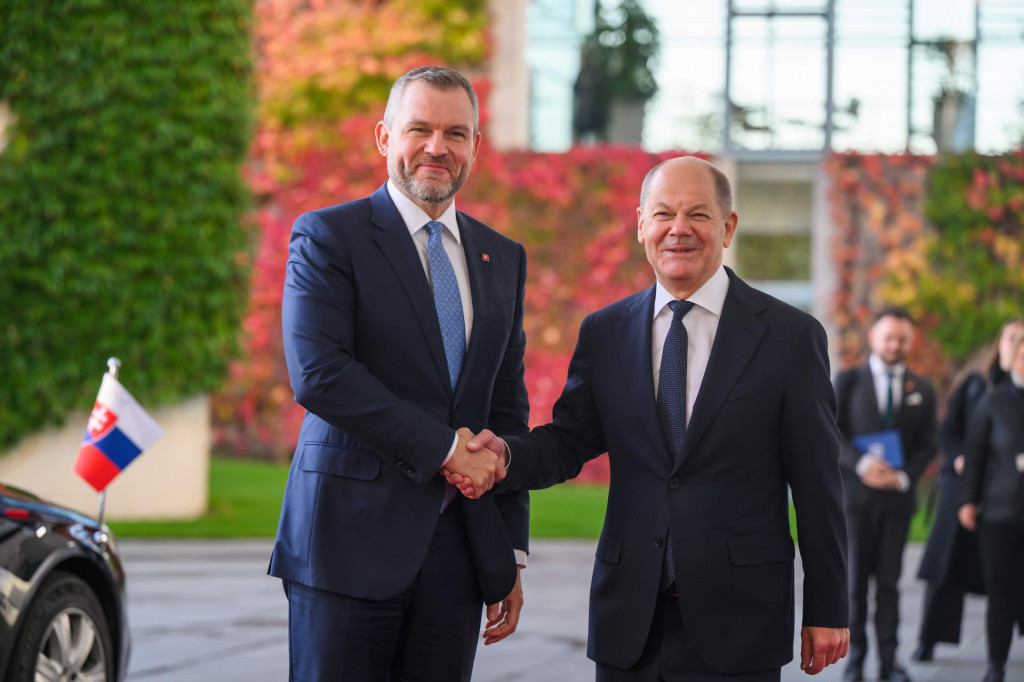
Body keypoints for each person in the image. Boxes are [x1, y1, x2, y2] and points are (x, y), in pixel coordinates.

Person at [451, 156, 850, 681]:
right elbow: (569, 441)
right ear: (641, 225)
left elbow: (818, 482)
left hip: (740, 619)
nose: (678, 229)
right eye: (663, 214)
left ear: (727, 227)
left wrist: (828, 608)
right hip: (630, 620)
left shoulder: (790, 337)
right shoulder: (606, 332)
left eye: (698, 215)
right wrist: (504, 455)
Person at [268, 65, 531, 682]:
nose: (437, 148)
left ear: (475, 146)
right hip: (345, 544)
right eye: (420, 129)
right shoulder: (329, 236)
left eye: (456, 133)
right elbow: (320, 373)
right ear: (385, 137)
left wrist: (509, 552)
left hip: (457, 555)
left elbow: (505, 409)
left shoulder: (504, 257)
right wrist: (445, 449)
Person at [835, 306, 938, 682]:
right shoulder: (847, 381)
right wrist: (862, 465)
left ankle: (890, 661)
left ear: (910, 341)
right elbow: (831, 432)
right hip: (856, 502)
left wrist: (904, 477)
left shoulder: (922, 389)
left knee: (891, 587)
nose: (895, 344)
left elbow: (929, 443)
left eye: (902, 338)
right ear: (873, 338)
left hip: (897, 502)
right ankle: (856, 660)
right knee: (855, 586)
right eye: (889, 337)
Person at [913, 318, 1024, 662]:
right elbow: (948, 430)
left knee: (1009, 571)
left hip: (1008, 496)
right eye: (1012, 337)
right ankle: (930, 638)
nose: (1017, 343)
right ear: (1001, 342)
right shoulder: (977, 384)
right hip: (966, 485)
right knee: (948, 566)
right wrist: (960, 457)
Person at [958, 327, 1024, 682]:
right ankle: (996, 664)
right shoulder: (994, 399)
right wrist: (969, 501)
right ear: (1014, 358)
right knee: (1001, 591)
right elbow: (975, 455)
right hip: (1001, 512)